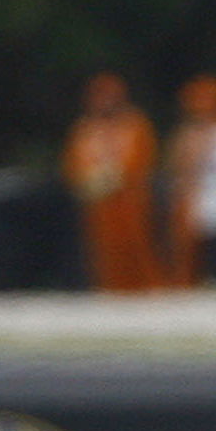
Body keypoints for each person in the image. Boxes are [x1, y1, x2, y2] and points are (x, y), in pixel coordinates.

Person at [62, 72, 163, 295]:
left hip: (131, 200)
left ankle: (149, 291)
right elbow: (73, 164)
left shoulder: (135, 124)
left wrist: (118, 177)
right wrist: (88, 181)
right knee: (105, 250)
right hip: (99, 203)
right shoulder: (85, 129)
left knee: (138, 248)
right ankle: (110, 291)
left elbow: (142, 158)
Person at [162, 75, 216, 291]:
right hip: (190, 198)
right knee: (185, 245)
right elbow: (175, 168)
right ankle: (185, 282)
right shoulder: (185, 134)